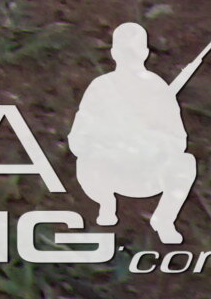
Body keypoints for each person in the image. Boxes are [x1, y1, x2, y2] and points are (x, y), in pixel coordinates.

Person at [68, 22, 199, 245]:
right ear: (114, 53)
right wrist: (110, 139)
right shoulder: (101, 87)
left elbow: (178, 140)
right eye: (124, 50)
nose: (130, 56)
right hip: (109, 171)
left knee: (185, 163)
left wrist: (151, 137)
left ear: (145, 53)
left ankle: (164, 219)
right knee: (87, 162)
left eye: (135, 50)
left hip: (148, 172)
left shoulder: (157, 89)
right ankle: (106, 203)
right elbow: (78, 138)